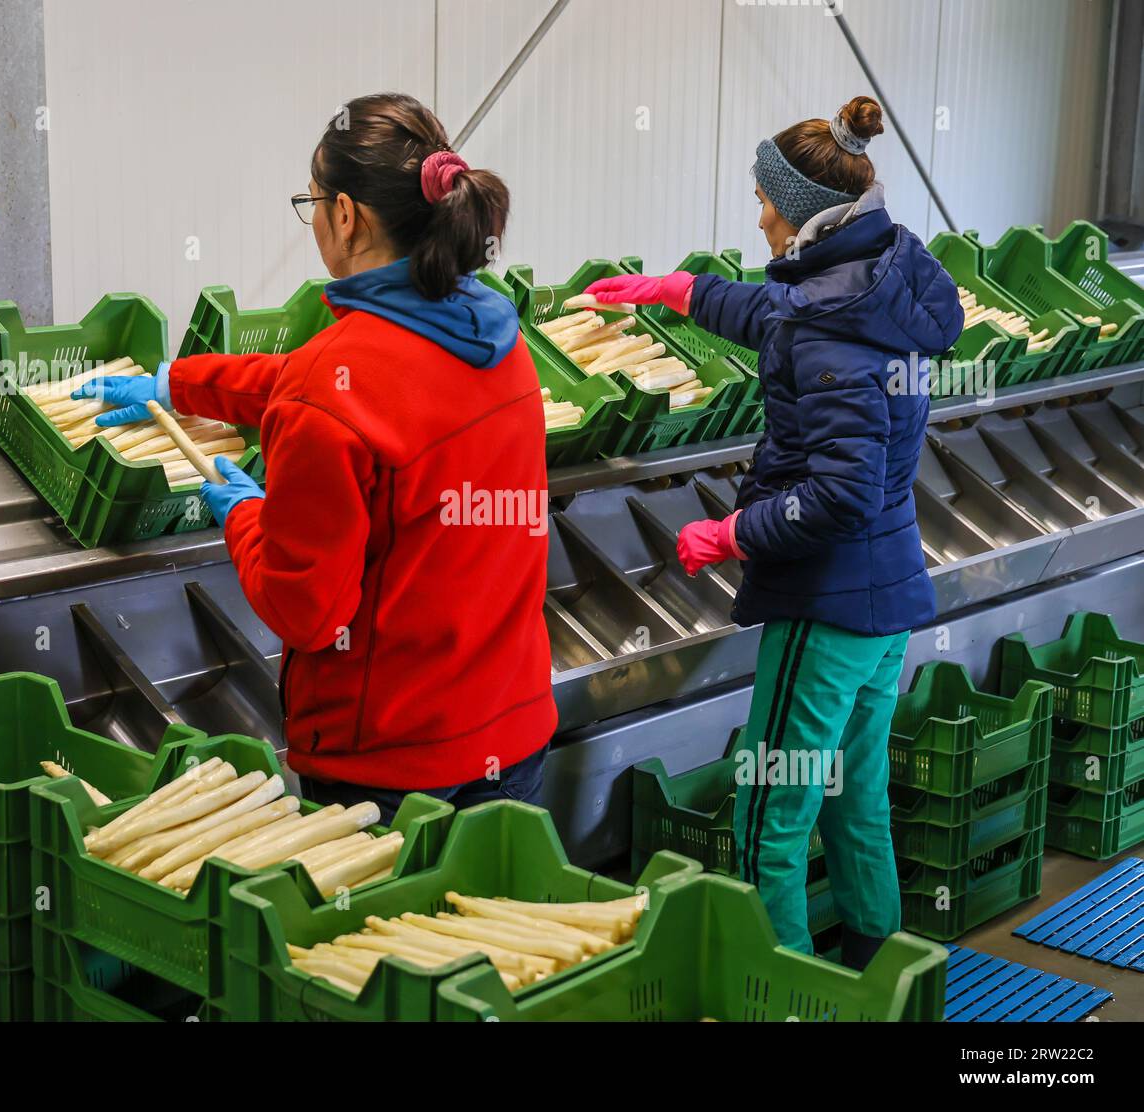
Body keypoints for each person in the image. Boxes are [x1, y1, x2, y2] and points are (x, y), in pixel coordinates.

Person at [74, 93, 556, 822]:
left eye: (312, 202)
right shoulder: (500, 340)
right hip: (514, 735)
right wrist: (178, 383)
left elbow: (305, 610)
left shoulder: (335, 380)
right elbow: (334, 388)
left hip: (391, 768)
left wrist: (246, 517)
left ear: (346, 215)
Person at [585, 96, 964, 968]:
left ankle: (787, 992)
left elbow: (838, 493)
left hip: (828, 603)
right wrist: (680, 292)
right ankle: (877, 974)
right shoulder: (880, 275)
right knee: (854, 794)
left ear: (797, 209)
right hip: (888, 594)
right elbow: (781, 319)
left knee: (771, 811)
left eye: (762, 199)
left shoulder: (834, 321)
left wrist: (734, 534)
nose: (756, 215)